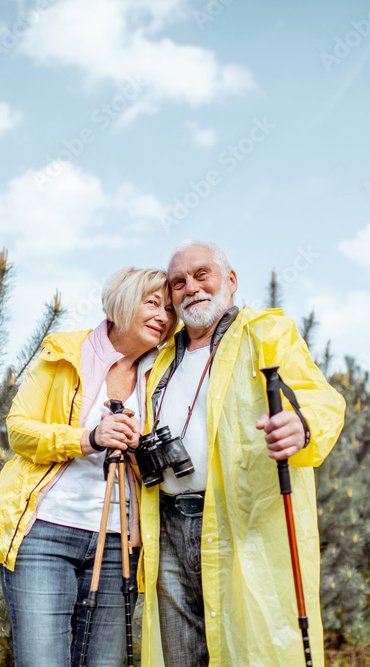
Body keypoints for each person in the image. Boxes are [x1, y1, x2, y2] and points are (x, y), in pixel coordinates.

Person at [138, 241, 346, 666]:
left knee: (253, 649)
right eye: (179, 282)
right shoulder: (158, 360)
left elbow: (320, 398)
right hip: (168, 527)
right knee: (179, 656)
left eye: (202, 274)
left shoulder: (266, 333)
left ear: (230, 281)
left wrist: (302, 425)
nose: (191, 288)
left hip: (240, 523)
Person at [0, 267, 175, 667]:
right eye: (152, 303)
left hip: (120, 541)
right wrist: (88, 438)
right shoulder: (66, 351)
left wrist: (139, 448)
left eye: (170, 309)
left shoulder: (164, 373)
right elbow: (19, 430)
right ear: (122, 303)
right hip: (45, 535)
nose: (164, 317)